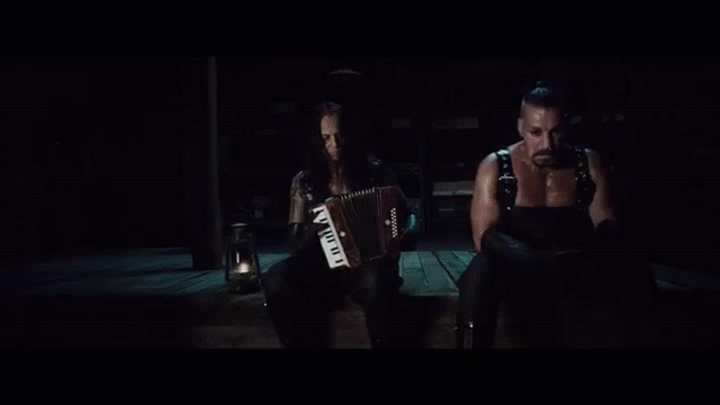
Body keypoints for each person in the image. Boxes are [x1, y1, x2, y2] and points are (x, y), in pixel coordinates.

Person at [456, 82, 660, 348]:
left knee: (634, 264)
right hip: (517, 268)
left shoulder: (587, 163)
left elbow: (607, 223)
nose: (547, 144)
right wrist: (535, 262)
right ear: (521, 127)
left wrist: (583, 259)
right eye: (536, 132)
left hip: (575, 266)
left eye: (555, 132)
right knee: (479, 271)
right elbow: (483, 237)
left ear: (566, 128)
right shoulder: (496, 166)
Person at [261, 101, 419, 348]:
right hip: (321, 268)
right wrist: (315, 229)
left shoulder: (375, 171)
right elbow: (294, 240)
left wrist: (404, 235)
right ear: (317, 141)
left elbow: (408, 215)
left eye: (339, 135)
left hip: (366, 266)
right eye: (326, 138)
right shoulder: (304, 181)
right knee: (274, 279)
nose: (334, 144)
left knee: (376, 282)